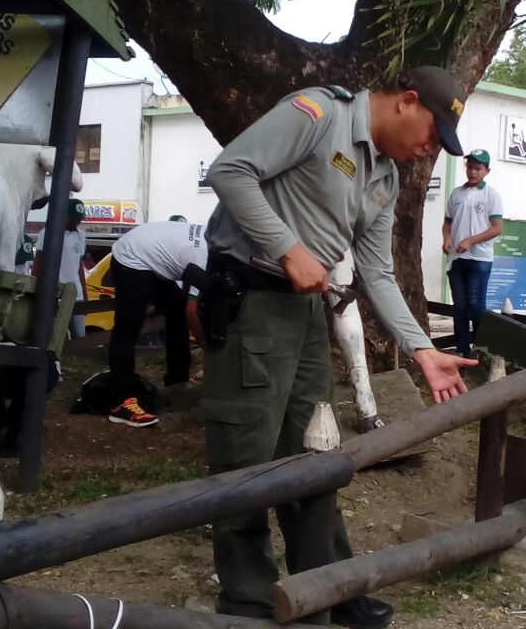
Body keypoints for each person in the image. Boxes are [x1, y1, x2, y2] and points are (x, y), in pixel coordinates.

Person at [201, 66, 476, 627]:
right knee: (245, 457)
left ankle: (328, 587)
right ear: (406, 101)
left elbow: (377, 273)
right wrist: (287, 248)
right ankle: (251, 602)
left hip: (305, 313)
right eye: (431, 133)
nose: (431, 149)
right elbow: (230, 171)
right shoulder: (319, 115)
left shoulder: (385, 177)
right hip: (251, 297)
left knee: (314, 452)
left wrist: (422, 350)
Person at [103, 219, 208, 427]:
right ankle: (121, 402)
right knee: (128, 327)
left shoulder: (217, 240)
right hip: (131, 258)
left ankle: (176, 383)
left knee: (176, 310)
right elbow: (192, 313)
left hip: (153, 259)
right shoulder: (203, 257)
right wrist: (209, 349)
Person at [442, 148, 503, 357]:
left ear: (487, 171)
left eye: (478, 168)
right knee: (459, 306)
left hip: (479, 258)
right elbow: (447, 222)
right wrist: (447, 239)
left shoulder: (491, 195)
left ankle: (481, 350)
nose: (473, 172)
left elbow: (497, 228)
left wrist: (471, 241)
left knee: (476, 305)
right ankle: (461, 350)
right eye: (470, 167)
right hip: (457, 258)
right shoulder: (457, 193)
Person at [35, 198, 89, 338]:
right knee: (55, 335)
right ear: (65, 215)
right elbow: (38, 263)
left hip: (76, 294)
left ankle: (76, 359)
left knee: (80, 335)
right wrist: (35, 291)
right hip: (54, 294)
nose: (78, 222)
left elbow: (79, 267)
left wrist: (85, 293)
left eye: (79, 219)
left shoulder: (81, 236)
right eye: (74, 218)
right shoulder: (46, 233)